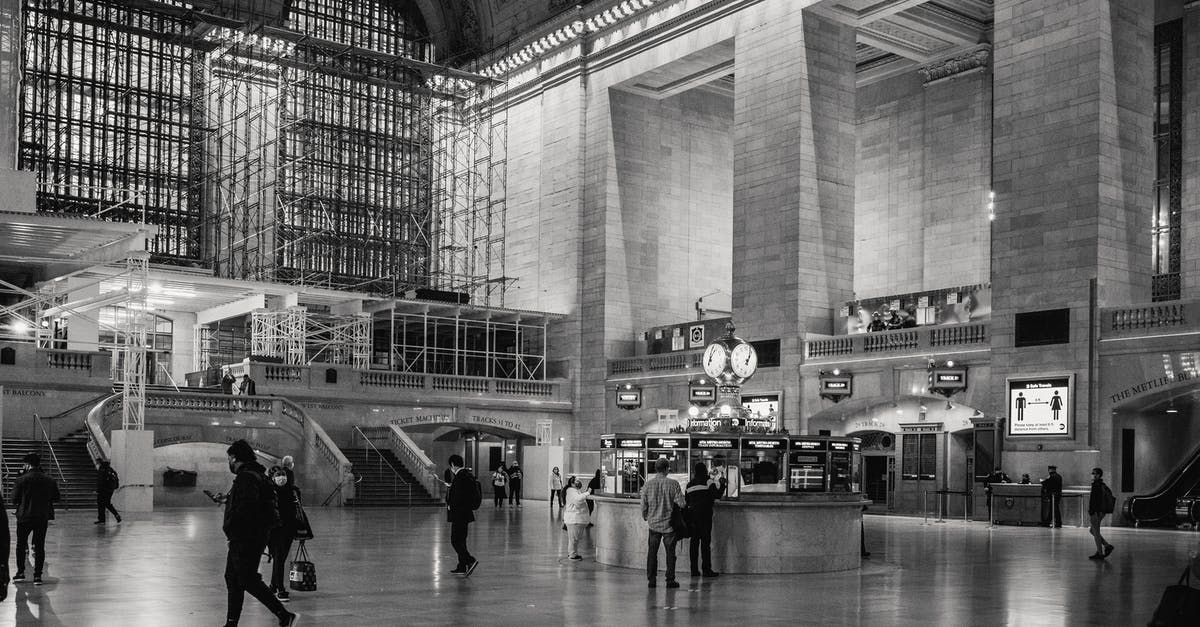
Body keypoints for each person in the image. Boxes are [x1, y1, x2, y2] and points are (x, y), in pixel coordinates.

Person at [221, 440, 297, 627]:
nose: (229, 462)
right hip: (251, 535)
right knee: (233, 578)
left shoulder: (246, 477)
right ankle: (232, 623)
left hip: (246, 537)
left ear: (236, 458)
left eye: (230, 458)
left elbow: (247, 507)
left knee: (246, 579)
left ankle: (284, 615)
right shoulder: (257, 475)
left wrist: (234, 530)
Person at [12, 453, 60, 586]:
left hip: (24, 517)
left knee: (21, 545)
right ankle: (37, 576)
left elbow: (14, 499)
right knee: (39, 546)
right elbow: (56, 498)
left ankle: (21, 573)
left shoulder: (21, 480)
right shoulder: (50, 480)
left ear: (27, 464)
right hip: (42, 517)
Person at [640, 456, 685, 589]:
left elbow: (643, 505)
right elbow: (681, 504)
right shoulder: (673, 484)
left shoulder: (648, 485)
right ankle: (670, 580)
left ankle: (651, 580)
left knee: (652, 553)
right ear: (666, 469)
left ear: (656, 469)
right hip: (669, 526)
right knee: (670, 554)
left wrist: (645, 516)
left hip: (653, 524)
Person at [267, 465, 300, 602]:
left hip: (289, 529)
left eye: (283, 475)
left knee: (280, 559)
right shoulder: (269, 491)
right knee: (279, 558)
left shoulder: (293, 491)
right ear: (272, 478)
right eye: (278, 476)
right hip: (274, 529)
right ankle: (280, 588)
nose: (281, 478)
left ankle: (273, 586)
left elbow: (298, 511)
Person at [445, 454, 480, 576]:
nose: (451, 468)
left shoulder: (460, 477)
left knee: (455, 540)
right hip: (465, 514)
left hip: (459, 514)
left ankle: (470, 560)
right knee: (461, 540)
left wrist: (450, 505)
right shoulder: (466, 475)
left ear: (453, 464)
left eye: (451, 466)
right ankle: (461, 566)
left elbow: (458, 496)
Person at [685, 462, 720, 577]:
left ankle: (694, 570)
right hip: (705, 517)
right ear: (705, 470)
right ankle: (706, 569)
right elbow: (717, 495)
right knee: (705, 544)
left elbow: (687, 501)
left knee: (694, 543)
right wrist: (723, 484)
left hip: (693, 518)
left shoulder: (689, 485)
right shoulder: (708, 481)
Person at [1087, 467, 1114, 560]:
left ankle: (1100, 553)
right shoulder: (1101, 484)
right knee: (1092, 531)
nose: (1093, 475)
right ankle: (1107, 546)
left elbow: (1096, 501)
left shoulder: (1096, 485)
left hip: (1096, 512)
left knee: (1096, 532)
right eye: (1092, 473)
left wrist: (1094, 512)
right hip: (1099, 511)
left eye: (1094, 473)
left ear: (1098, 475)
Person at [563, 477, 591, 560]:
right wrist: (587, 493)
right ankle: (572, 555)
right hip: (574, 519)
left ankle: (574, 553)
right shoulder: (571, 491)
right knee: (573, 539)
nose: (579, 482)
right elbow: (578, 501)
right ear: (572, 483)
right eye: (576, 481)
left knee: (574, 538)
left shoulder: (575, 491)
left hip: (576, 518)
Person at [94, 459, 122, 525]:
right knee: (107, 503)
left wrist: (98, 490)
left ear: (99, 463)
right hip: (110, 490)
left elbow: (100, 481)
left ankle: (102, 520)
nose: (96, 464)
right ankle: (116, 515)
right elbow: (116, 477)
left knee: (101, 504)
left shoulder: (102, 469)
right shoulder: (110, 468)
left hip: (103, 490)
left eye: (97, 463)